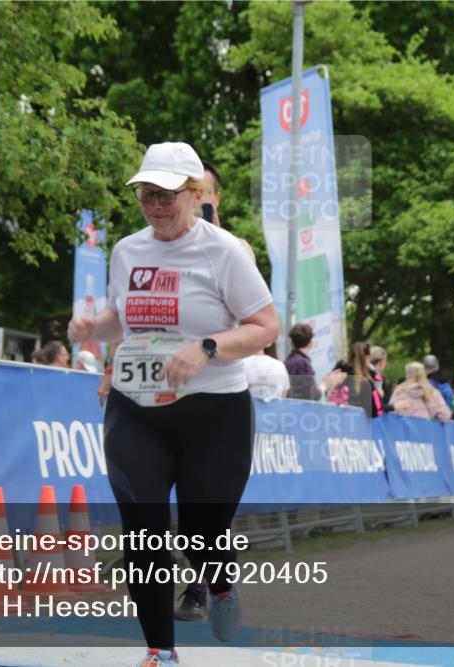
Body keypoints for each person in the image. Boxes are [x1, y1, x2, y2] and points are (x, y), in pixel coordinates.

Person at [68, 141, 278, 667]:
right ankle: (160, 651)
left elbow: (265, 328)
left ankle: (220, 582)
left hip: (214, 413)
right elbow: (124, 318)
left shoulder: (225, 251)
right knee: (143, 528)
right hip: (137, 407)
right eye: (146, 196)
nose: (156, 206)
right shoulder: (127, 251)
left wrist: (207, 348)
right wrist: (93, 330)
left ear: (193, 193)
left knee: (201, 533)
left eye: (166, 196)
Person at [283, 323, 345, 401]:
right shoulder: (303, 364)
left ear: (291, 343)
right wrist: (326, 384)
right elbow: (310, 396)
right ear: (310, 344)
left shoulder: (286, 362)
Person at [329, 342, 382, 417]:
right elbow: (375, 409)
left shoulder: (339, 370)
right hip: (354, 420)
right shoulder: (366, 380)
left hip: (333, 415)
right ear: (367, 358)